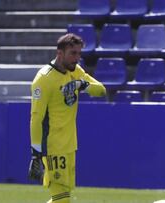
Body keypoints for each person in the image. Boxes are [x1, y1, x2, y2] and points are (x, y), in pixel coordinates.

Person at [28, 33, 106, 203]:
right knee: (62, 199)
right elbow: (36, 118)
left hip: (70, 145)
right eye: (73, 53)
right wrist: (35, 154)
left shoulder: (76, 72)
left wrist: (82, 84)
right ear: (60, 53)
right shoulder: (44, 79)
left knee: (62, 198)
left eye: (79, 53)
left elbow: (101, 90)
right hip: (52, 146)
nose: (77, 58)